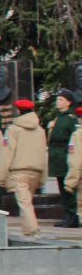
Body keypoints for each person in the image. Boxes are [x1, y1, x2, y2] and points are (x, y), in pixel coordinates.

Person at [0, 99, 48, 238]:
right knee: (27, 202)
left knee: (24, 202)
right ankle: (27, 232)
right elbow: (44, 154)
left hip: (19, 172)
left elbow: (7, 153)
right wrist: (43, 177)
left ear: (19, 111)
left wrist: (1, 176)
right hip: (36, 171)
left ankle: (33, 230)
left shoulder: (13, 130)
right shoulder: (40, 131)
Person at [48, 90, 78, 228]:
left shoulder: (71, 118)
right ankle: (67, 214)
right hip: (57, 157)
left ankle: (73, 216)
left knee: (68, 188)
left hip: (66, 155)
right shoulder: (57, 117)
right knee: (62, 187)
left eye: (61, 99)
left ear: (68, 102)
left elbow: (74, 138)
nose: (57, 102)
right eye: (57, 99)